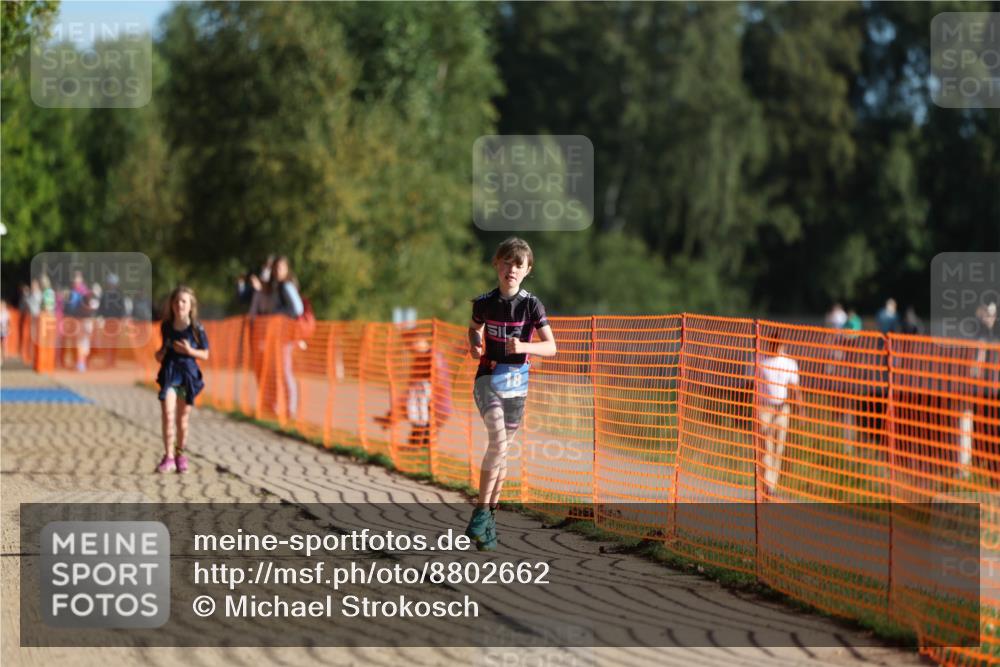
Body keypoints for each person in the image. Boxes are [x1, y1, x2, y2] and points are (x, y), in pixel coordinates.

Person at [466, 237, 557, 550]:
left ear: (527, 269)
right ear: (496, 264)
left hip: (517, 382)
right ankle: (480, 512)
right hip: (488, 377)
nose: (511, 269)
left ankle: (488, 522)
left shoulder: (532, 305)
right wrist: (475, 343)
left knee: (503, 452)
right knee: (499, 442)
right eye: (506, 262)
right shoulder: (485, 303)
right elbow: (474, 327)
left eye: (519, 264)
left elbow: (552, 347)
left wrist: (525, 346)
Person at [154, 286, 210, 473]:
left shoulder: (196, 328)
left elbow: (205, 354)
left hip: (188, 376)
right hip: (170, 374)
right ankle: (168, 456)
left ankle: (180, 454)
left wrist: (189, 351)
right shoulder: (166, 326)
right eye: (176, 301)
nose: (179, 305)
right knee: (168, 415)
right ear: (171, 304)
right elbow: (162, 350)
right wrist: (160, 354)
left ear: (190, 305)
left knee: (182, 420)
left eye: (183, 301)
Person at [249, 256, 304, 419]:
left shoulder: (286, 286)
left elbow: (298, 309)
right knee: (273, 372)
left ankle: (290, 410)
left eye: (280, 268)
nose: (277, 271)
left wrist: (276, 315)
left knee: (285, 372)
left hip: (284, 336)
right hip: (273, 336)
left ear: (286, 269)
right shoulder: (274, 287)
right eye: (275, 268)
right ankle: (275, 407)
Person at [756, 338, 801, 497]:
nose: (776, 347)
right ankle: (767, 484)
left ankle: (771, 486)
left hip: (782, 409)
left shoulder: (789, 363)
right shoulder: (760, 360)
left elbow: (794, 387)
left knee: (778, 448)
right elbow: (750, 384)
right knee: (766, 447)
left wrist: (799, 407)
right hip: (764, 408)